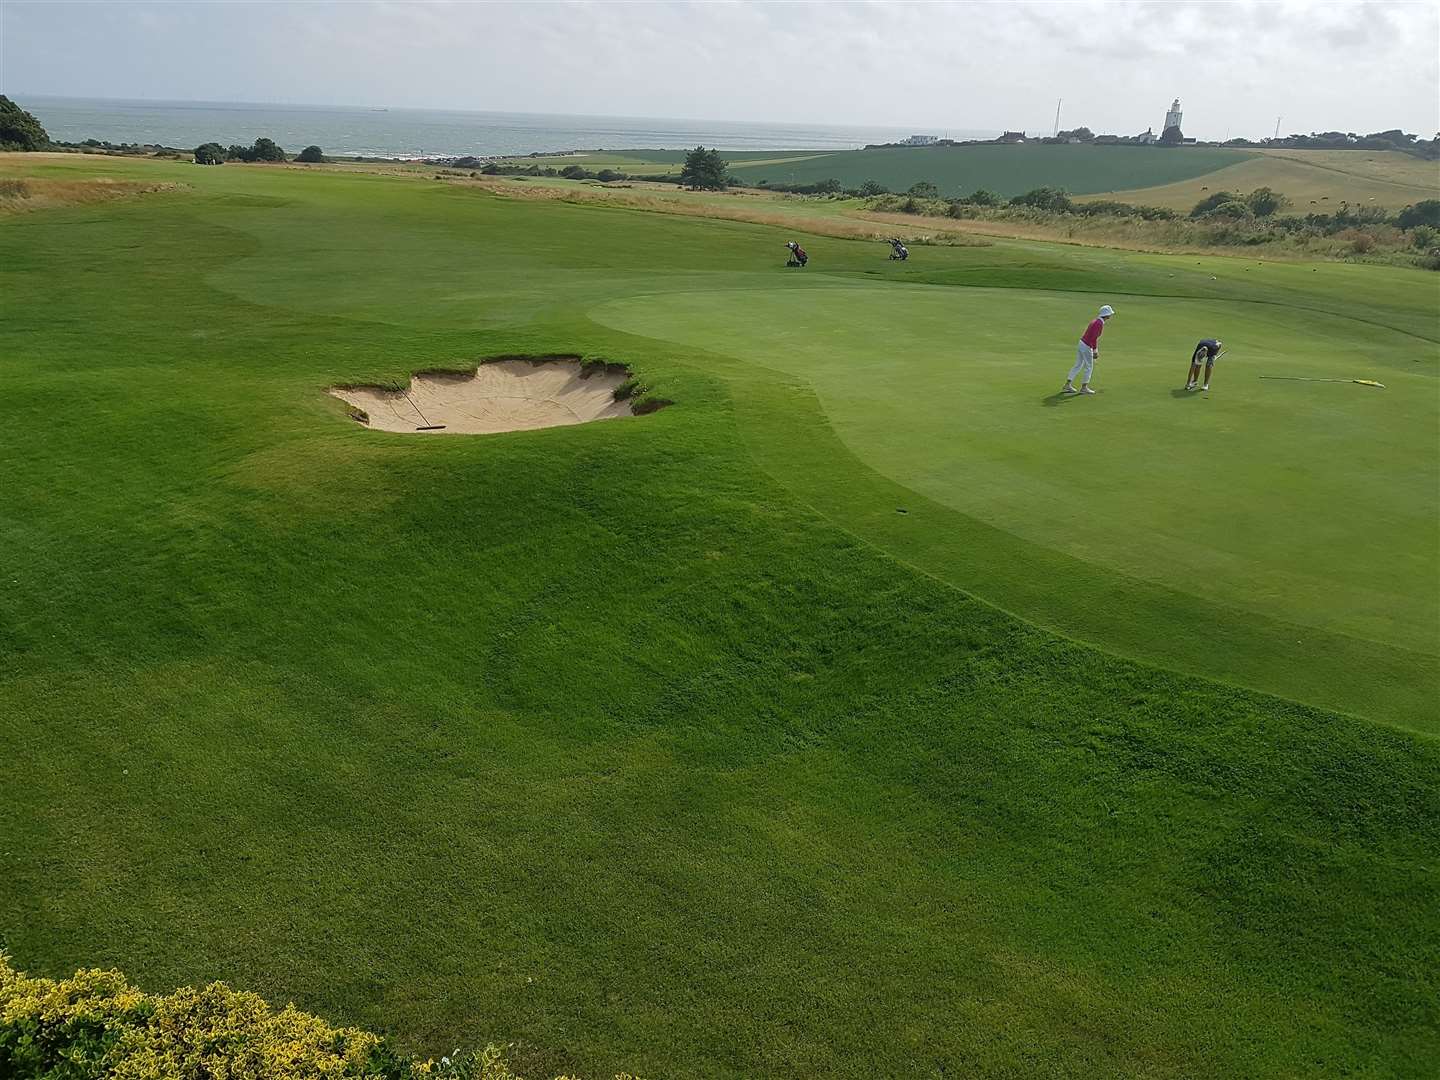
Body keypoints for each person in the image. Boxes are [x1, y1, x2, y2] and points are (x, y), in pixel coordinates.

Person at [1062, 304, 1114, 395]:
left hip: (1082, 343)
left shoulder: (1096, 321)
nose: (1111, 315)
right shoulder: (1099, 323)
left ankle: (1067, 385)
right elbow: (1093, 338)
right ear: (1106, 315)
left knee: (1078, 365)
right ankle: (1084, 387)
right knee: (1089, 367)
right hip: (1086, 345)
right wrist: (1095, 350)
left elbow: (1093, 337)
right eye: (1110, 314)